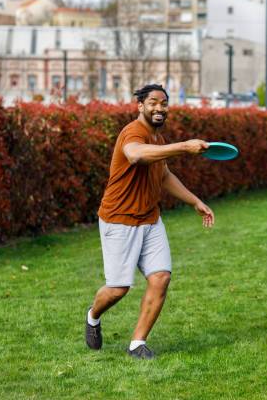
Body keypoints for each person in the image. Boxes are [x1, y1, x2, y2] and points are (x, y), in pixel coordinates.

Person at [85, 84, 214, 360]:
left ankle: (137, 344)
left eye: (164, 103)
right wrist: (183, 146)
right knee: (119, 288)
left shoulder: (157, 138)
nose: (159, 108)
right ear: (140, 106)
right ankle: (93, 315)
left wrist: (195, 201)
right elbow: (135, 155)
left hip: (150, 219)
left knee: (161, 277)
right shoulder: (133, 132)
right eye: (153, 102)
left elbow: (164, 175)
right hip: (120, 220)